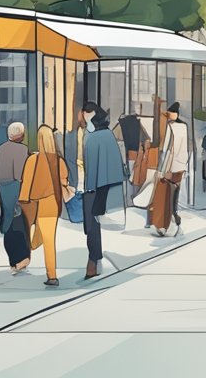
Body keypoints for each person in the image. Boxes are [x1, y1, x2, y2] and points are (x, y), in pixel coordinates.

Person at [19, 125, 69, 287]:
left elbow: (26, 184)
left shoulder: (32, 160)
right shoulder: (59, 161)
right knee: (48, 239)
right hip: (51, 204)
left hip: (34, 203)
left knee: (34, 233)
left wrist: (23, 201)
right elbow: (64, 181)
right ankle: (51, 274)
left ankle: (49, 271)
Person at [82, 103, 125, 280]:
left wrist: (88, 187)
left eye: (85, 115)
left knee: (91, 225)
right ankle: (95, 259)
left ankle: (93, 261)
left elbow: (91, 166)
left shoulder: (92, 137)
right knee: (94, 224)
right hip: (106, 185)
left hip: (93, 187)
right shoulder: (108, 134)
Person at [0, 122, 30, 273]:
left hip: (4, 188)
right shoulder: (24, 150)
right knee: (20, 221)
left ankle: (12, 260)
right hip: (19, 187)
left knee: (7, 220)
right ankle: (22, 257)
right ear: (21, 135)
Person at [149, 103, 189, 234]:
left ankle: (167, 225)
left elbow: (165, 150)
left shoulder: (169, 128)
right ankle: (175, 224)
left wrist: (161, 170)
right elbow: (185, 148)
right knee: (174, 196)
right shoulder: (184, 127)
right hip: (180, 166)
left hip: (170, 167)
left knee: (167, 197)